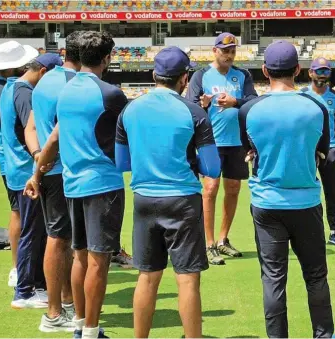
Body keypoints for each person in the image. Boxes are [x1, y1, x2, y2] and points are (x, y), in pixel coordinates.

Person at [28, 30, 127, 339]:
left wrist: (37, 173)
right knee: (99, 261)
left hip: (72, 184)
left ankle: (80, 326)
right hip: (103, 184)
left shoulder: (66, 91)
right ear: (107, 58)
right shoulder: (110, 93)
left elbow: (55, 137)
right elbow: (128, 138)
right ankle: (91, 331)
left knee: (80, 256)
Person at [115, 46, 218, 339]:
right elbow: (212, 167)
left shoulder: (130, 109)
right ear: (185, 78)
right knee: (187, 280)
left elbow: (122, 162)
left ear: (153, 75)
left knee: (147, 277)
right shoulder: (194, 111)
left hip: (144, 200)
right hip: (183, 200)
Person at [238, 40, 333, 338]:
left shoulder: (250, 109)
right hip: (305, 201)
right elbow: (323, 151)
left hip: (267, 203)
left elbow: (249, 149)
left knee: (273, 279)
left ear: (265, 71)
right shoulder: (317, 106)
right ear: (298, 70)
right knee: (316, 276)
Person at [185, 32, 258, 264]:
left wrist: (235, 102)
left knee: (234, 188)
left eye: (232, 50)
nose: (229, 55)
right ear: (214, 51)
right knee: (210, 189)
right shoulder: (201, 75)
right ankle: (208, 243)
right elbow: (190, 107)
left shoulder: (242, 75)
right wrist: (202, 104)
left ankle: (223, 240)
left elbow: (253, 101)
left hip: (237, 141)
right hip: (211, 141)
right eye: (225, 50)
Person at [29, 46, 78, 331]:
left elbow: (36, 127)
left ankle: (65, 305)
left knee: (62, 238)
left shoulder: (45, 80)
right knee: (59, 239)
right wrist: (42, 165)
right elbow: (61, 133)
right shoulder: (71, 84)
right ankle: (53, 313)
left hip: (50, 169)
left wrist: (38, 166)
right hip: (60, 170)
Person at [0, 42, 48, 309]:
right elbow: (31, 131)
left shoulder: (8, 88)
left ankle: (32, 285)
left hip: (16, 169)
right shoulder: (23, 92)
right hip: (27, 170)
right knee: (33, 231)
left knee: (32, 229)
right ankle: (25, 291)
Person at [0, 41, 30, 289]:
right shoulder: (10, 89)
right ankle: (18, 267)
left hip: (8, 159)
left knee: (18, 213)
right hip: (16, 161)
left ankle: (18, 266)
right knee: (20, 214)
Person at [301, 57, 335, 247]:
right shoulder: (302, 95)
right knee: (305, 191)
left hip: (329, 149)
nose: (322, 75)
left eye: (326, 71)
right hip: (306, 150)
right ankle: (307, 232)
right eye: (318, 71)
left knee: (330, 192)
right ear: (310, 72)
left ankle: (334, 232)